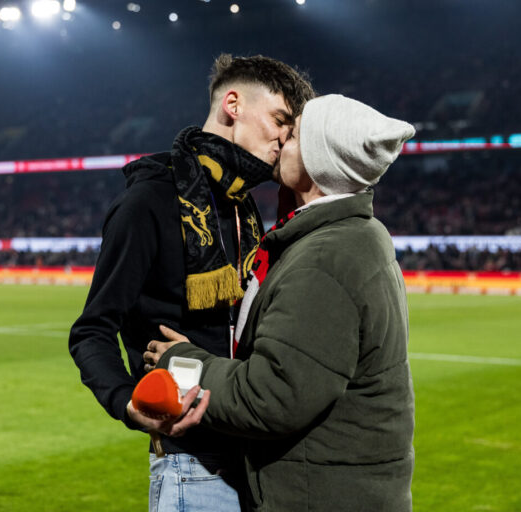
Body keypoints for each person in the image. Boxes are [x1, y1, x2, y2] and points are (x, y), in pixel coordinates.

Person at [145, 94, 417, 511]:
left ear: (317, 159)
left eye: (294, 137)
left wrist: (184, 361)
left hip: (319, 497)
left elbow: (272, 396)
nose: (280, 142)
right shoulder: (350, 236)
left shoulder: (328, 257)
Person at [68, 54, 315, 512]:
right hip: (194, 469)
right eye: (279, 119)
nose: (284, 137)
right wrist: (127, 403)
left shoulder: (242, 205)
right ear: (234, 104)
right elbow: (92, 330)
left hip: (256, 463)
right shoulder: (149, 201)